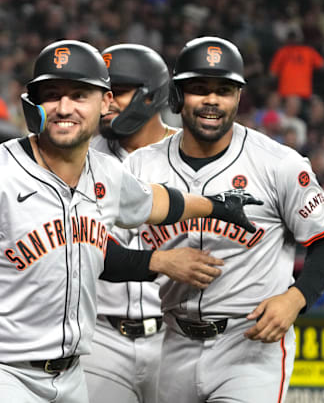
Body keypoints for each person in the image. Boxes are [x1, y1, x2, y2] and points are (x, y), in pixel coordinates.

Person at [0, 39, 260, 403]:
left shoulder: (106, 174)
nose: (64, 107)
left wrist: (213, 205)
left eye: (79, 95)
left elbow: (158, 203)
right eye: (51, 96)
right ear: (32, 105)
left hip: (70, 377)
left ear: (105, 103)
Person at [125, 36, 324, 403]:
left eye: (224, 90)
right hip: (172, 342)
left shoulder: (278, 163)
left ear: (238, 97)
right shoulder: (139, 166)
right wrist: (159, 261)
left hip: (250, 344)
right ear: (178, 95)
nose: (212, 100)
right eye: (199, 89)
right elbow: (100, 246)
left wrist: (296, 298)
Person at [83, 44, 224, 403]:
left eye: (120, 92)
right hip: (100, 337)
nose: (108, 102)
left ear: (151, 95)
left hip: (176, 336)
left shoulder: (193, 158)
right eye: (103, 92)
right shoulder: (79, 155)